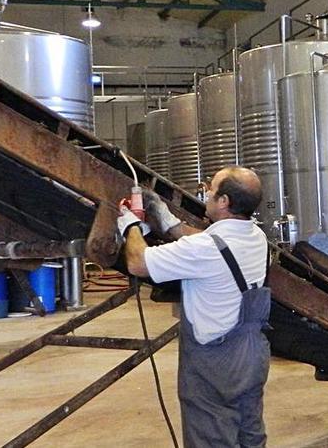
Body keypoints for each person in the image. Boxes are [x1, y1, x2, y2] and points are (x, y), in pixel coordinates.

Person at [119, 167, 271, 448]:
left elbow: (137, 262)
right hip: (252, 354)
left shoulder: (204, 248)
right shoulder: (257, 237)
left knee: (211, 437)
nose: (207, 194)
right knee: (250, 433)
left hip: (214, 363)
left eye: (212, 189)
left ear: (224, 201)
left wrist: (130, 226)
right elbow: (206, 242)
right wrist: (168, 222)